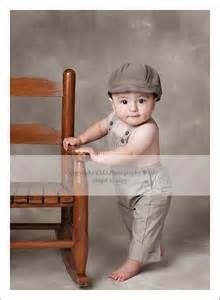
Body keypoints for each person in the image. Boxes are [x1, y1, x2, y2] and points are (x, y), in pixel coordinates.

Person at [63, 63, 172, 281]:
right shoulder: (114, 117)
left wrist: (96, 156)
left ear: (155, 101)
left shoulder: (147, 129)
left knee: (143, 224)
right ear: (112, 102)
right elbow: (101, 127)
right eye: (124, 101)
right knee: (133, 224)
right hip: (126, 186)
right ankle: (149, 247)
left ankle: (134, 263)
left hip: (150, 188)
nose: (133, 109)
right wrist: (82, 139)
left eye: (142, 100)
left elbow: (130, 152)